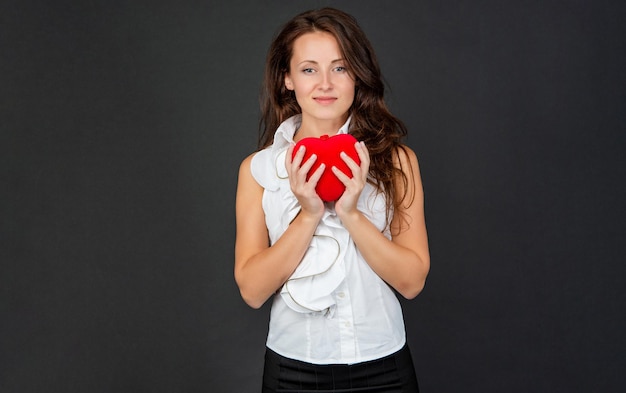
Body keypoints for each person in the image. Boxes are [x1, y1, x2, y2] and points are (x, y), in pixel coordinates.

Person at [235, 7, 429, 393]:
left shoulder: (397, 161)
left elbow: (412, 282)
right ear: (287, 78)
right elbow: (252, 290)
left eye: (339, 68)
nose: (325, 83)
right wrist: (307, 216)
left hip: (384, 367)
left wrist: (351, 213)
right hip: (293, 371)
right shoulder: (258, 170)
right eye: (309, 69)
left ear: (357, 74)